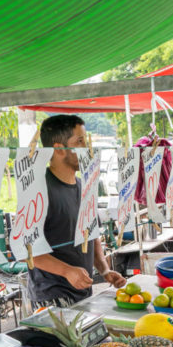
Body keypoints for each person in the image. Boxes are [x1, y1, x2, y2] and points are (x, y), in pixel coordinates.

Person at [27, 115, 127, 308]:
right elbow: (25, 249)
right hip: (52, 297)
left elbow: (92, 234)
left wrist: (104, 270)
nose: (87, 148)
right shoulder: (38, 190)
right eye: (80, 141)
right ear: (59, 149)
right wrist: (67, 271)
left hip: (83, 292)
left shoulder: (85, 186)